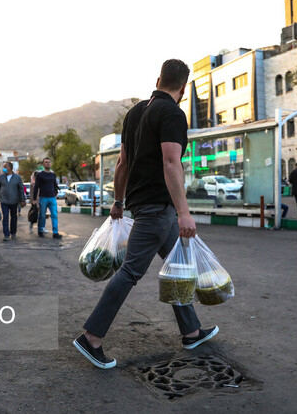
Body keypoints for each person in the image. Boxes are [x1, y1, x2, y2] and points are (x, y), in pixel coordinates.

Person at [73, 59, 218, 370]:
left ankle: (191, 331)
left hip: (143, 205)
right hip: (159, 207)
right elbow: (170, 162)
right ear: (182, 88)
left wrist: (118, 201)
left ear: (158, 79)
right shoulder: (172, 113)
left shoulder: (136, 113)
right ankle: (91, 337)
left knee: (177, 265)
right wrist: (184, 213)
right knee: (130, 272)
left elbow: (122, 163)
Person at [0, 162, 26, 241]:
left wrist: (22, 200)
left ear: (10, 168)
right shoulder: (1, 177)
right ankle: (6, 234)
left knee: (14, 217)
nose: (4, 168)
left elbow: (21, 189)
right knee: (5, 217)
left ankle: (13, 232)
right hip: (4, 201)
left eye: (5, 167)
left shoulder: (17, 177)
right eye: (3, 167)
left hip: (14, 201)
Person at [33, 158, 62, 239]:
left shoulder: (53, 175)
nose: (48, 164)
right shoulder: (40, 175)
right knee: (42, 215)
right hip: (43, 198)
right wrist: (35, 199)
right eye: (46, 162)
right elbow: (36, 187)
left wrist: (55, 193)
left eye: (49, 162)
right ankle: (40, 230)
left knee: (54, 215)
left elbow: (55, 185)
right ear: (43, 165)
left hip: (52, 198)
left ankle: (55, 233)